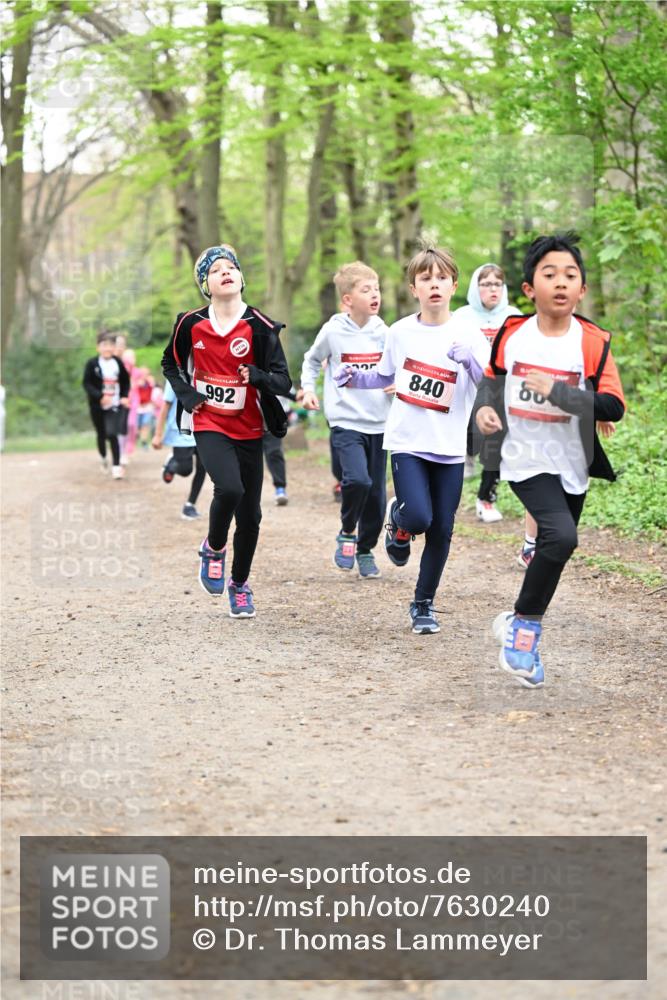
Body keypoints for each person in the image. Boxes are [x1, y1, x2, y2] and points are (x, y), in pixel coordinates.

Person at [474, 232, 625, 688]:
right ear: (528, 289)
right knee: (560, 536)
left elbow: (613, 405)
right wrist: (485, 408)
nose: (561, 282)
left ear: (582, 290)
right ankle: (524, 630)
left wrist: (561, 393)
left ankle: (514, 618)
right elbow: (493, 381)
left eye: (571, 275)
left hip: (572, 461)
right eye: (549, 274)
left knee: (555, 548)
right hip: (522, 456)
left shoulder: (593, 341)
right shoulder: (513, 333)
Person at [334, 242, 489, 630]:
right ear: (413, 288)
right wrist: (355, 377)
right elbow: (387, 375)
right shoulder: (400, 331)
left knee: (442, 528)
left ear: (454, 286)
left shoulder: (469, 333)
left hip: (450, 445)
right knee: (420, 515)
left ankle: (423, 604)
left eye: (442, 278)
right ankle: (399, 520)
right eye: (425, 278)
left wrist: (468, 359)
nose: (434, 284)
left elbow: (488, 384)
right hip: (407, 439)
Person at [161, 244, 291, 619]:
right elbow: (170, 363)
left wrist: (260, 376)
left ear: (241, 278)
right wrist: (187, 395)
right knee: (229, 488)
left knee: (251, 517)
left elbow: (284, 380)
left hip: (250, 426)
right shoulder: (190, 324)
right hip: (209, 421)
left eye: (230, 267)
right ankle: (214, 548)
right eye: (215, 270)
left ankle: (239, 584)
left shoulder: (261, 327)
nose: (225, 272)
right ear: (207, 285)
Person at [301, 261, 391, 579]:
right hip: (345, 421)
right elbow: (311, 361)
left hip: (380, 422)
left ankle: (365, 549)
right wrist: (308, 389)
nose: (374, 294)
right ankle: (347, 530)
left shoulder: (386, 334)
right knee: (358, 481)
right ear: (348, 300)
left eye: (377, 288)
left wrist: (397, 384)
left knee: (378, 496)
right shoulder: (333, 330)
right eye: (366, 290)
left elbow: (398, 370)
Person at [152, 380, 207, 519]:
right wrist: (158, 435)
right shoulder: (176, 375)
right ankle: (172, 465)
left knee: (203, 466)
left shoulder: (206, 371)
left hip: (203, 428)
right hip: (180, 430)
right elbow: (165, 406)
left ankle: (190, 505)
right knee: (185, 470)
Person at [82, 330, 130, 479]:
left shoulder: (118, 362)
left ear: (114, 347)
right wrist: (100, 396)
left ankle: (116, 466)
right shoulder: (92, 364)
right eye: (104, 345)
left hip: (114, 405)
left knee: (112, 433)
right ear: (98, 347)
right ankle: (103, 457)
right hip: (97, 405)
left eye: (110, 345)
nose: (107, 348)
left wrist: (123, 396)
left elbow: (125, 382)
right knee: (101, 434)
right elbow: (87, 384)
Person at [262, 389, 298, 505]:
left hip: (272, 419)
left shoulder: (277, 371)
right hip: (247, 419)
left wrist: (297, 396)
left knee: (274, 453)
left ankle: (280, 488)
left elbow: (281, 385)